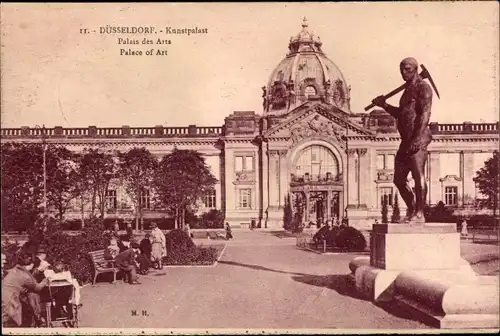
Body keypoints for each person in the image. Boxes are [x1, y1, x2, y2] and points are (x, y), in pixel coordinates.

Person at [371, 57, 433, 224]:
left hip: (417, 138)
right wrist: (384, 105)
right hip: (406, 139)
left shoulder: (423, 88)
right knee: (398, 179)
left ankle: (419, 213)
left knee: (418, 174)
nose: (403, 73)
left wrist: (417, 138)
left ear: (416, 69)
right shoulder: (406, 91)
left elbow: (425, 114)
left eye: (407, 69)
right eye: (401, 70)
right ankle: (413, 209)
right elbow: (401, 114)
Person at [2, 251, 49, 327]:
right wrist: (45, 279)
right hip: (10, 300)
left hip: (12, 296)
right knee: (33, 295)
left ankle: (37, 318)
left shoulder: (15, 269)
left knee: (32, 296)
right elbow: (37, 287)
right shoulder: (24, 275)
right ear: (31, 264)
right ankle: (37, 318)